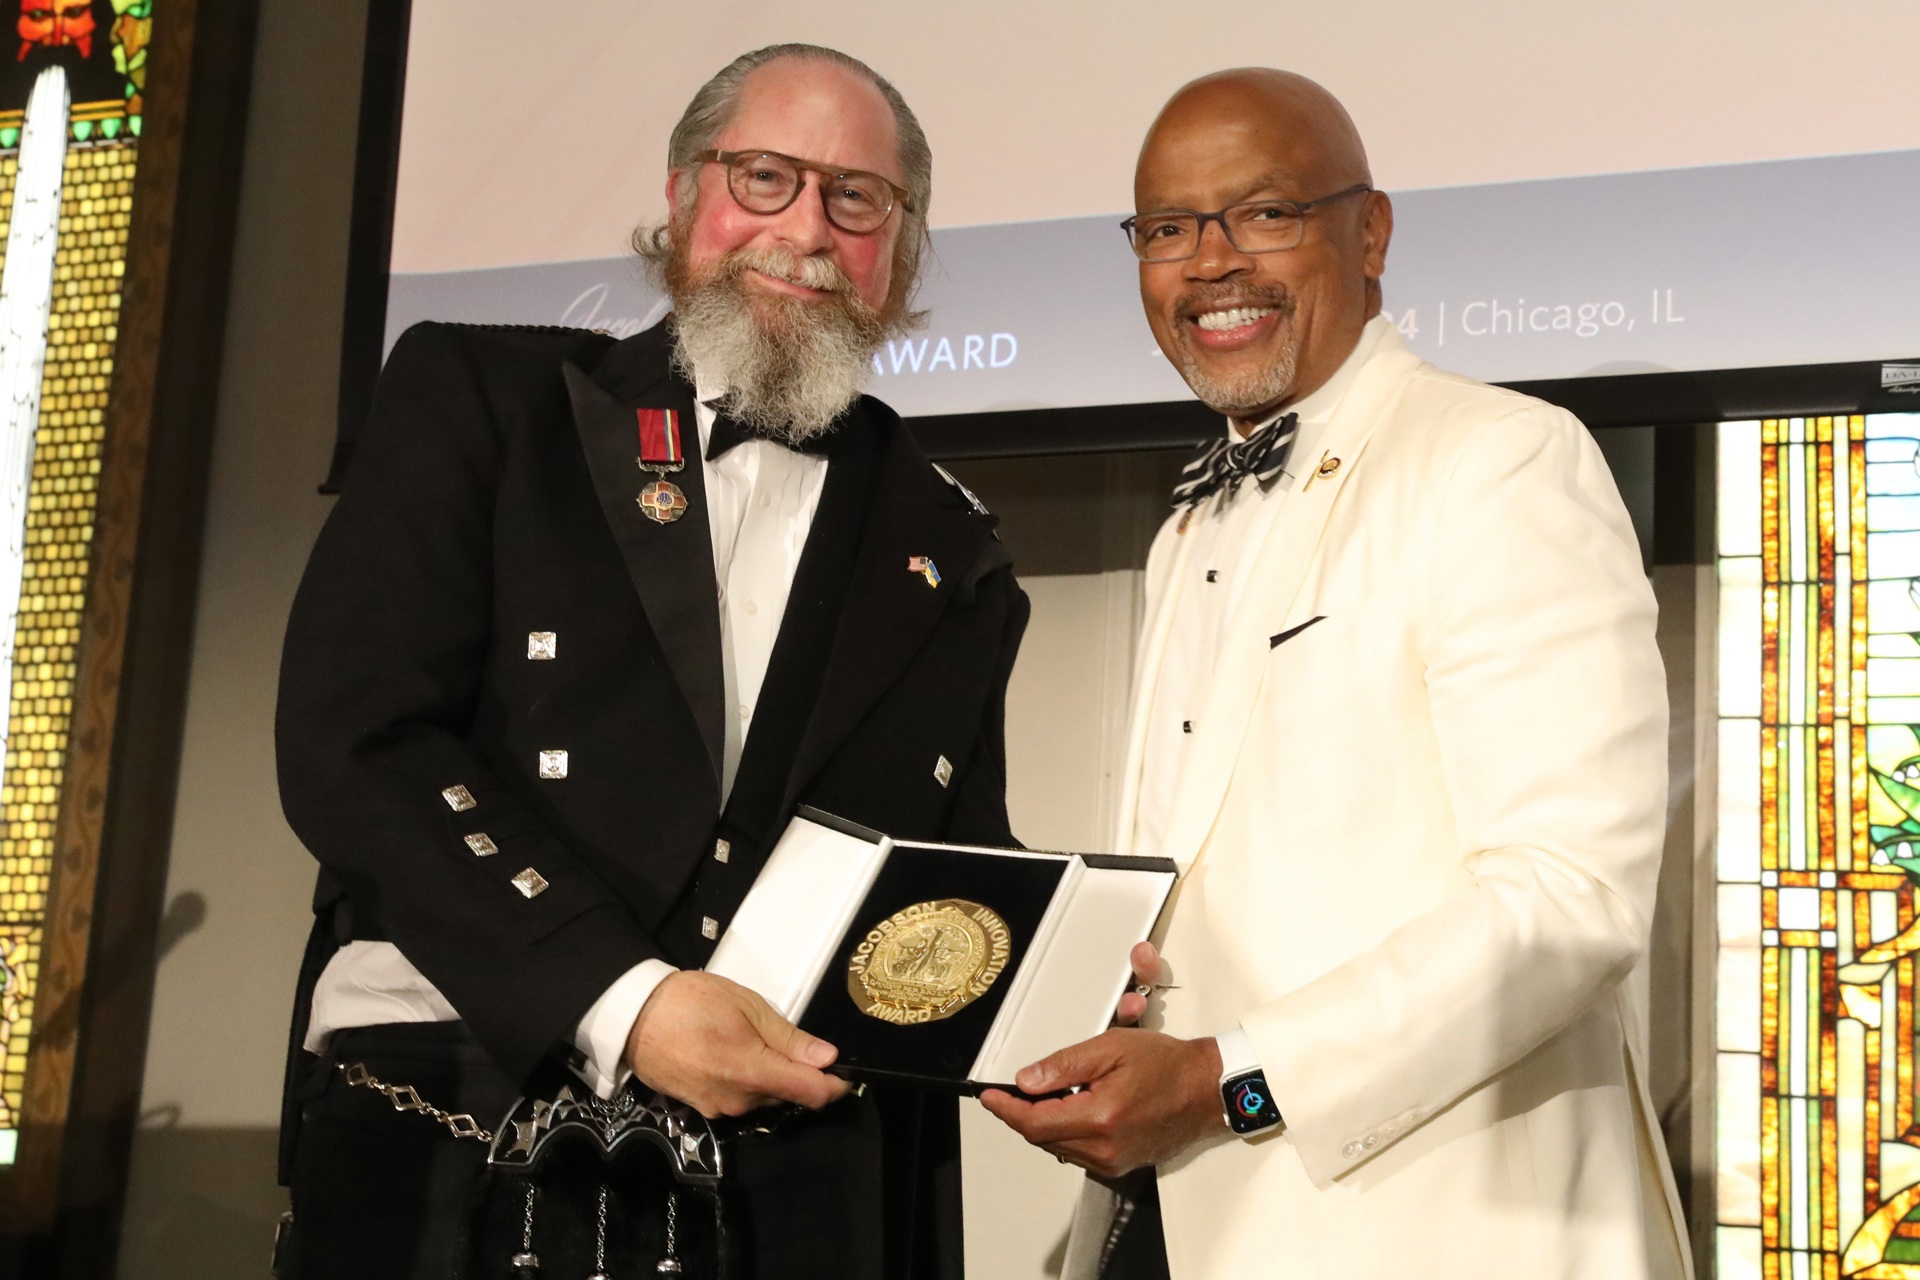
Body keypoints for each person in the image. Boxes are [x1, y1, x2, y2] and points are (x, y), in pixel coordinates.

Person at [274, 43, 1026, 1280]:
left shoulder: (953, 545)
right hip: (462, 1123)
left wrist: (1054, 981)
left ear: (902, 246)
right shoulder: (482, 397)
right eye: (767, 177)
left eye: (858, 199)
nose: (808, 230)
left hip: (798, 1180)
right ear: (683, 200)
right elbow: (357, 745)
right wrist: (623, 999)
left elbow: (944, 864)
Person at [981, 68, 1691, 1280]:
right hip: (1181, 1215)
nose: (1210, 264)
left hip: (1439, 1230)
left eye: (1264, 213)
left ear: (1371, 231)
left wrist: (1224, 1081)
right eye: (1166, 229)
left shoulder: (1500, 460)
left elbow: (1567, 903)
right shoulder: (1187, 528)